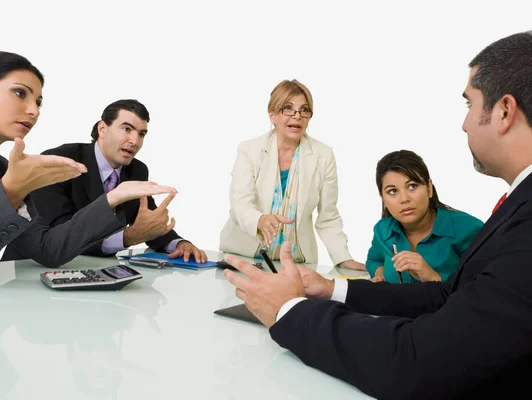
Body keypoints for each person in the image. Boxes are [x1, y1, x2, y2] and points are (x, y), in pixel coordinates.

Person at [223, 31, 532, 399]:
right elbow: (449, 296)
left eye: (469, 105)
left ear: (504, 111)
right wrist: (333, 288)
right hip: (249, 252)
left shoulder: (323, 154)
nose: (464, 124)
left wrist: (291, 310)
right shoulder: (513, 206)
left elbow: (420, 359)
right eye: (288, 109)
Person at [0, 52, 176, 285]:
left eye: (38, 102)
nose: (34, 111)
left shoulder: (4, 171)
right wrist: (10, 190)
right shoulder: (10, 177)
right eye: (19, 93)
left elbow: (48, 250)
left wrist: (112, 198)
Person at [3, 99, 206, 262]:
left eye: (141, 134)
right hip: (28, 270)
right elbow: (60, 234)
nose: (135, 141)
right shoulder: (61, 161)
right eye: (126, 129)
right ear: (102, 129)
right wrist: (127, 238)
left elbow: (147, 223)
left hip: (91, 272)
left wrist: (179, 244)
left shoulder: (137, 169)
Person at [219, 79, 364, 270]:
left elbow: (328, 217)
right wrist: (260, 220)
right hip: (244, 257)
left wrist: (343, 258)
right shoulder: (249, 150)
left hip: (296, 264)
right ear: (272, 115)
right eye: (288, 108)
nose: (297, 116)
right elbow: (240, 203)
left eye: (304, 110)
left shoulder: (323, 155)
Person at [367, 150, 483, 283]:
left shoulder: (468, 228)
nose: (404, 199)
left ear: (429, 188)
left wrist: (433, 277)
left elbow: (487, 285)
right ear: (382, 198)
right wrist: (381, 276)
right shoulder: (382, 230)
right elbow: (374, 260)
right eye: (392, 191)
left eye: (412, 186)